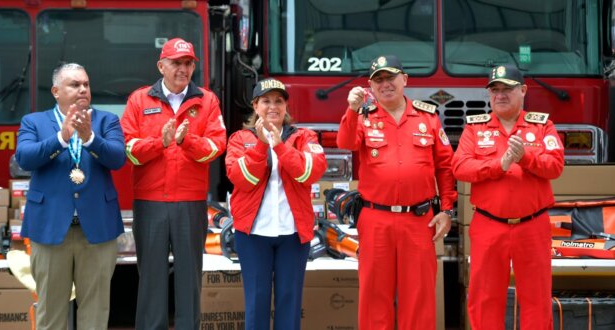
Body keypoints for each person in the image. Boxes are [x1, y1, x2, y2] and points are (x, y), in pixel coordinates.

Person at [337, 55, 455, 329]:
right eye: (378, 80)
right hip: (375, 218)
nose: (385, 84)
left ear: (405, 80)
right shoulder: (363, 117)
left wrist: (447, 210)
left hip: (419, 219)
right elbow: (345, 142)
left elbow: (445, 167)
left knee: (419, 296)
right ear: (370, 85)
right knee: (374, 297)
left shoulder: (428, 117)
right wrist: (352, 109)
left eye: (391, 78)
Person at [120, 37, 227, 329]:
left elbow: (217, 145)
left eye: (188, 63)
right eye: (177, 63)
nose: (183, 69)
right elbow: (128, 149)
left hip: (190, 203)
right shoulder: (139, 100)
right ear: (161, 66)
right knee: (151, 278)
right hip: (150, 202)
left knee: (189, 278)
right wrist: (160, 143)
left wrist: (186, 140)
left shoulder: (207, 100)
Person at [452, 65, 564, 329]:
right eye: (495, 90)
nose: (500, 95)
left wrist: (525, 157)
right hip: (489, 225)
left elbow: (556, 166)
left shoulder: (542, 125)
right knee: (485, 298)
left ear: (523, 91)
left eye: (507, 89)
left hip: (532, 225)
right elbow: (460, 167)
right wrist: (497, 166)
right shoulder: (474, 129)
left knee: (536, 298)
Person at [16, 63, 125, 329]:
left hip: (97, 231)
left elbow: (118, 158)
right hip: (51, 229)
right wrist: (62, 138)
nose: (83, 90)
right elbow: (25, 158)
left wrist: (89, 138)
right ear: (56, 91)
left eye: (86, 84)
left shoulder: (106, 121)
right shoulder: (34, 122)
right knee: (51, 313)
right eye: (74, 85)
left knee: (96, 313)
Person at [225, 78, 327, 330]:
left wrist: (279, 146)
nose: (273, 106)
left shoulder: (304, 136)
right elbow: (243, 179)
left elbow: (309, 173)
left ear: (286, 106)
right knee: (256, 303)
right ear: (255, 106)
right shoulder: (240, 139)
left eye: (279, 101)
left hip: (293, 234)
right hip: (253, 234)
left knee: (289, 303)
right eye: (266, 101)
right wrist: (262, 144)